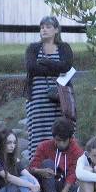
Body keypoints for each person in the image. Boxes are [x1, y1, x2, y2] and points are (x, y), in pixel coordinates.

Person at [24, 16, 74, 156]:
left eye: (48, 27)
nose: (44, 30)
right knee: (38, 134)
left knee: (60, 131)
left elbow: (66, 67)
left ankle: (62, 165)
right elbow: (32, 68)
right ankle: (37, 165)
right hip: (37, 100)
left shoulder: (64, 48)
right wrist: (55, 67)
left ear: (56, 30)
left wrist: (45, 62)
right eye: (42, 27)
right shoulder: (33, 48)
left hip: (60, 100)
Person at [29, 117, 83, 192]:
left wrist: (66, 189)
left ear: (70, 138)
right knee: (48, 163)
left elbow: (73, 173)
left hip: (63, 184)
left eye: (64, 141)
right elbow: (31, 168)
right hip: (46, 183)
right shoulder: (44, 146)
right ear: (53, 138)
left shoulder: (77, 151)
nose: (61, 144)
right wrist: (40, 171)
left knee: (80, 191)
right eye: (58, 140)